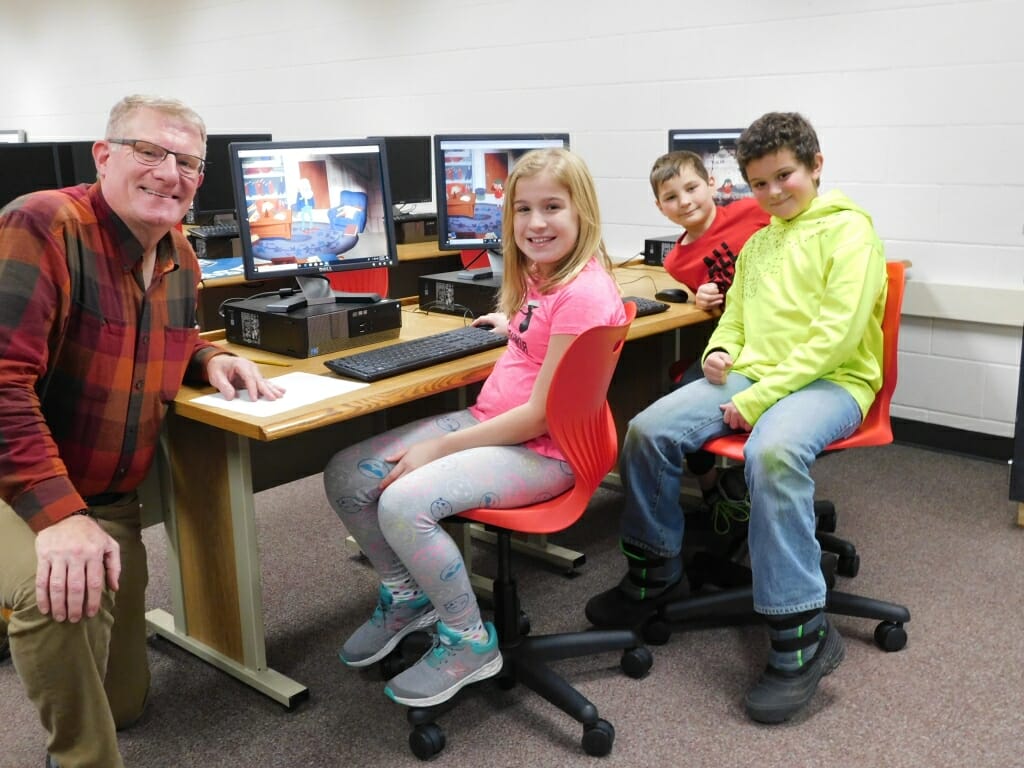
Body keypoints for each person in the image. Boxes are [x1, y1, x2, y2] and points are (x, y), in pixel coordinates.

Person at [0, 94, 285, 768]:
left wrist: (211, 356)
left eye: (186, 161)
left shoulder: (178, 251)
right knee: (52, 595)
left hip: (111, 500)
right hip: (21, 488)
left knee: (126, 703)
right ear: (105, 155)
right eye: (149, 152)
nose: (169, 172)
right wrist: (60, 520)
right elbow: (3, 382)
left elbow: (164, 337)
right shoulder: (42, 224)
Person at [586, 112, 888, 724]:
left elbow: (835, 338)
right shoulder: (760, 242)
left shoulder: (850, 233)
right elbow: (737, 319)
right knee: (648, 429)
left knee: (770, 453)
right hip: (755, 371)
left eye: (785, 177)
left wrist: (758, 397)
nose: (774, 193)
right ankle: (656, 573)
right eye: (759, 184)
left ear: (815, 167)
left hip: (832, 381)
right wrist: (719, 350)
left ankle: (803, 635)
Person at [324, 148, 626, 707]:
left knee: (399, 502)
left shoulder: (583, 293)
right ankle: (407, 597)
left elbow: (540, 414)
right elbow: (548, 336)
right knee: (348, 474)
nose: (535, 223)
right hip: (496, 425)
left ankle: (467, 640)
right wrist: (512, 325)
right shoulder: (548, 275)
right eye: (523, 209)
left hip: (544, 450)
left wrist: (439, 447)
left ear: (583, 212)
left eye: (553, 207)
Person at [650, 150, 770, 509]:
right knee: (678, 395)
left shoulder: (753, 211)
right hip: (733, 340)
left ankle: (755, 482)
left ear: (711, 184)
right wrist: (698, 298)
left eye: (691, 188)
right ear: (660, 207)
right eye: (671, 197)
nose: (684, 202)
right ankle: (711, 487)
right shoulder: (675, 260)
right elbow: (716, 301)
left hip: (772, 336)